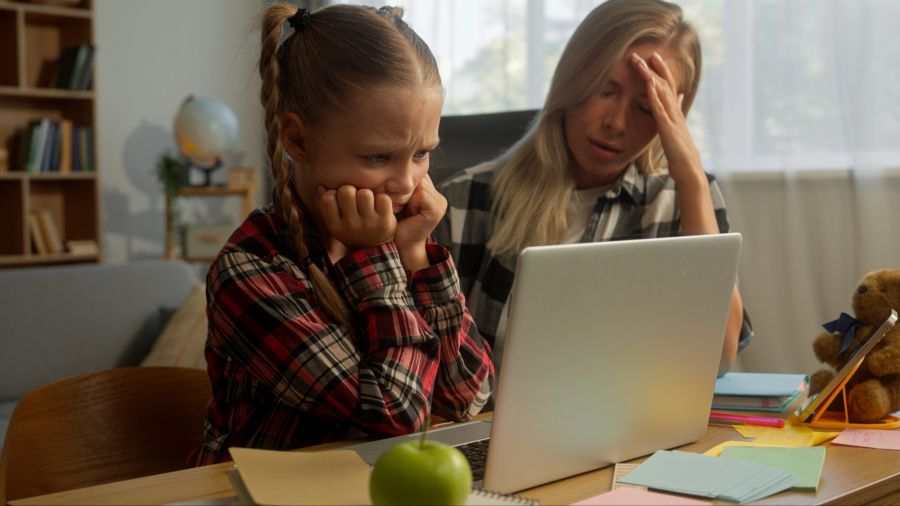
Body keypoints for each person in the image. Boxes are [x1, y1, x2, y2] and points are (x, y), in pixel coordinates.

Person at [191, 4, 493, 466]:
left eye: (422, 153)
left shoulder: (400, 239)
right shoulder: (251, 271)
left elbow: (469, 398)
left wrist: (416, 258)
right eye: (377, 157)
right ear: (298, 141)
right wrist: (376, 260)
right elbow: (398, 415)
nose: (408, 183)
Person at [434, 0, 752, 380]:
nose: (616, 123)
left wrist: (691, 177)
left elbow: (719, 359)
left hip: (632, 435)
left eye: (646, 106)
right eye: (605, 89)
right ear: (572, 80)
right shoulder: (463, 200)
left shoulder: (682, 199)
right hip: (491, 430)